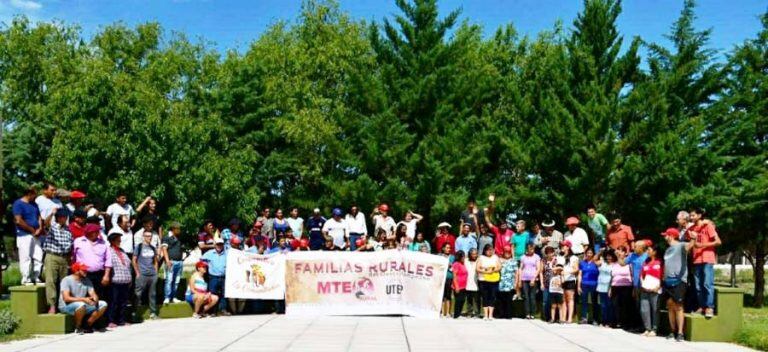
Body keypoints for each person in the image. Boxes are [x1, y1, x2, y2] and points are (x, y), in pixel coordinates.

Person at [662, 227, 696, 342]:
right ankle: (672, 331)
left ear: (671, 235)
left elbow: (689, 246)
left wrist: (693, 239)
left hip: (679, 280)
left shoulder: (681, 245)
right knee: (669, 305)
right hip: (667, 282)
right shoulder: (667, 250)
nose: (664, 237)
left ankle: (680, 333)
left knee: (678, 306)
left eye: (666, 235)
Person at [688, 207, 721, 318]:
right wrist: (693, 240)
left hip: (707, 259)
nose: (691, 217)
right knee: (698, 286)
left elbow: (718, 242)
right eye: (690, 215)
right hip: (696, 260)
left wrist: (703, 245)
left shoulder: (709, 226)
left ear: (699, 215)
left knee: (707, 284)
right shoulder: (691, 228)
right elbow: (692, 244)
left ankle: (709, 307)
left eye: (693, 215)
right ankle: (702, 307)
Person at [59, 262, 108, 334]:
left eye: (86, 270)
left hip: (82, 305)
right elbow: (66, 298)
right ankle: (78, 327)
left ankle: (88, 325)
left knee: (103, 304)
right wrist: (84, 299)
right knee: (81, 304)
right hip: (66, 306)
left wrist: (95, 299)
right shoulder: (66, 280)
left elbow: (93, 293)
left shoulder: (87, 280)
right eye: (83, 270)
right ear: (76, 271)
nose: (86, 271)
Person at [43, 208, 73, 314]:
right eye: (62, 217)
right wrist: (51, 213)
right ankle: (51, 305)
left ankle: (62, 304)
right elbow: (45, 223)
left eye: (65, 217)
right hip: (52, 256)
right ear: (58, 217)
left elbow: (70, 246)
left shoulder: (68, 230)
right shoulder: (52, 227)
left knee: (64, 282)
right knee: (51, 281)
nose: (64, 219)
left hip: (64, 258)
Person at [13, 186, 44, 285]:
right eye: (34, 194)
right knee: (25, 257)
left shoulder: (34, 204)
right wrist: (31, 230)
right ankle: (25, 278)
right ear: (29, 194)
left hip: (36, 234)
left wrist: (39, 228)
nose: (36, 196)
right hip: (24, 234)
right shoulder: (18, 204)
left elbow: (39, 216)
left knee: (38, 255)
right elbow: (18, 220)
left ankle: (36, 276)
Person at [73, 223, 112, 301]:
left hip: (99, 275)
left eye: (98, 231)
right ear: (89, 232)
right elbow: (74, 257)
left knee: (100, 297)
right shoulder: (78, 241)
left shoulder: (103, 243)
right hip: (84, 274)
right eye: (95, 231)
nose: (98, 233)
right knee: (84, 296)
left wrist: (106, 275)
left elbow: (108, 260)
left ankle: (99, 312)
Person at [133, 228, 159, 320]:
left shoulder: (153, 248)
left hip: (152, 274)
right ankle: (135, 314)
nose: (149, 238)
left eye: (150, 236)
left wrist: (156, 272)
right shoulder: (139, 247)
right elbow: (134, 260)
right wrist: (137, 272)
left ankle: (153, 313)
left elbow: (156, 261)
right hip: (142, 274)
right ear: (143, 237)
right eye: (147, 236)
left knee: (152, 294)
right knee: (138, 294)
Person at [107, 232, 132, 327]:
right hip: (115, 280)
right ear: (112, 241)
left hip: (125, 280)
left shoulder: (122, 250)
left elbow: (128, 264)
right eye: (118, 239)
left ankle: (121, 320)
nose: (120, 241)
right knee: (114, 301)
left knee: (123, 302)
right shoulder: (109, 250)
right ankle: (111, 320)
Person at [202, 237, 229, 315]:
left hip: (224, 277)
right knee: (213, 294)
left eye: (221, 244)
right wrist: (206, 265)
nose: (219, 246)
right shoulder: (209, 253)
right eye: (218, 244)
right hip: (213, 277)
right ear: (214, 245)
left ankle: (222, 310)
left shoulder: (227, 253)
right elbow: (201, 260)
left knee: (224, 294)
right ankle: (212, 311)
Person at [626, 239, 649, 330]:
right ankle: (639, 325)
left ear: (641, 248)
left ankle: (647, 326)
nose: (633, 247)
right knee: (637, 306)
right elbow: (622, 263)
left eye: (635, 246)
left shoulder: (647, 256)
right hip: (636, 285)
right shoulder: (632, 256)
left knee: (645, 306)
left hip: (646, 285)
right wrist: (619, 256)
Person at [640, 244, 662, 337]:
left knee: (655, 309)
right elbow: (642, 275)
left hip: (655, 290)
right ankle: (647, 328)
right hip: (645, 290)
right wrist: (642, 285)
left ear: (655, 251)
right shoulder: (645, 262)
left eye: (649, 250)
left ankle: (654, 329)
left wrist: (658, 286)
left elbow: (663, 275)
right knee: (644, 309)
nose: (647, 252)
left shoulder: (660, 262)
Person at [610, 247, 634, 329]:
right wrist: (610, 288)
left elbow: (632, 274)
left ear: (625, 253)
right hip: (615, 286)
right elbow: (612, 276)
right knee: (615, 305)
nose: (619, 252)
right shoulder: (614, 263)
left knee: (625, 305)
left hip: (626, 286)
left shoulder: (629, 263)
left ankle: (626, 323)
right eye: (618, 250)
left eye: (621, 251)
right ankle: (617, 322)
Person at [162, 221, 184, 304]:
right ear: (173, 229)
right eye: (178, 228)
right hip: (171, 261)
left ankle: (174, 297)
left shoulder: (179, 237)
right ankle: (167, 297)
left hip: (179, 262)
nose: (179, 230)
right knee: (169, 280)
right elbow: (164, 249)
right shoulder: (167, 237)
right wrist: (167, 261)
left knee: (177, 281)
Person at [477, 244, 500, 321]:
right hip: (483, 279)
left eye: (491, 250)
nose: (490, 251)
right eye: (488, 250)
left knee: (492, 296)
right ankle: (485, 315)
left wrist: (493, 270)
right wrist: (486, 271)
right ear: (485, 250)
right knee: (485, 297)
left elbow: (499, 267)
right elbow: (477, 268)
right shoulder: (481, 257)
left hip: (494, 279)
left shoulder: (495, 257)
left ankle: (490, 315)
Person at [519, 244, 541, 319]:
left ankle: (533, 313)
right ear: (527, 249)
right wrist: (520, 279)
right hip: (524, 279)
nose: (531, 250)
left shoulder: (536, 257)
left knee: (532, 297)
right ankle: (527, 313)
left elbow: (538, 269)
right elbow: (521, 268)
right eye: (529, 249)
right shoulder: (523, 257)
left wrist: (534, 278)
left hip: (533, 279)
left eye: (532, 249)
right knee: (526, 297)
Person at [578, 248, 600, 324]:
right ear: (585, 254)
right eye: (588, 253)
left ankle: (595, 319)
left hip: (594, 284)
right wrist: (578, 286)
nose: (589, 254)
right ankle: (584, 318)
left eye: (591, 253)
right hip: (584, 284)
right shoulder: (582, 263)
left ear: (593, 254)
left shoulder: (596, 263)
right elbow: (580, 274)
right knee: (584, 301)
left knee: (594, 302)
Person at [497, 245, 519, 319]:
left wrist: (516, 283)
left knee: (509, 300)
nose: (507, 253)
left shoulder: (514, 261)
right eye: (506, 251)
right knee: (500, 300)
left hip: (510, 283)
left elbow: (516, 273)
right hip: (501, 282)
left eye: (509, 252)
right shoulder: (500, 260)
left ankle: (508, 315)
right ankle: (501, 314)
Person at [560, 241, 579, 323]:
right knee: (563, 299)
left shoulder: (574, 258)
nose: (562, 247)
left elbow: (576, 269)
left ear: (568, 247)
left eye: (564, 246)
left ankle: (570, 318)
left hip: (570, 280)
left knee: (570, 299)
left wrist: (567, 272)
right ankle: (563, 317)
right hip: (562, 280)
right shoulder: (561, 257)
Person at [596, 249, 616, 327]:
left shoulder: (614, 265)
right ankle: (603, 320)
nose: (609, 258)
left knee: (609, 305)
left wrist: (610, 288)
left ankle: (609, 321)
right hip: (601, 286)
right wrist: (600, 252)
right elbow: (594, 260)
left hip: (609, 286)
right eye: (607, 256)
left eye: (610, 256)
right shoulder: (602, 263)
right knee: (602, 305)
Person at [540, 246, 557, 321]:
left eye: (552, 252)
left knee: (553, 301)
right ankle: (546, 316)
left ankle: (554, 317)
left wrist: (553, 263)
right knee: (545, 301)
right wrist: (541, 283)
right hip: (546, 283)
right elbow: (541, 272)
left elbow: (557, 271)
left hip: (554, 284)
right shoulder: (543, 260)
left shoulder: (556, 260)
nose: (551, 254)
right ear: (546, 254)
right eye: (549, 253)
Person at [451, 250, 468, 319]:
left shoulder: (462, 264)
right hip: (458, 285)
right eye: (463, 257)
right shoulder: (456, 264)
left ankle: (459, 314)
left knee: (462, 300)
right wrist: (456, 286)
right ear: (459, 257)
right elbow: (454, 276)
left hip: (464, 286)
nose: (464, 258)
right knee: (458, 300)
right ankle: (456, 315)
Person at [439, 243, 455, 318]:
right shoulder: (439, 256)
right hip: (441, 277)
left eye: (449, 248)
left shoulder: (452, 257)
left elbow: (455, 267)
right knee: (442, 295)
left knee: (448, 295)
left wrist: (450, 265)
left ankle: (448, 312)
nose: (448, 249)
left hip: (449, 277)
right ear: (443, 248)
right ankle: (441, 312)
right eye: (447, 248)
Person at [465, 248, 480, 318]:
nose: (475, 255)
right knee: (469, 299)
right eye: (473, 254)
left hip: (476, 283)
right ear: (470, 254)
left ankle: (477, 313)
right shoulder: (466, 261)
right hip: (468, 282)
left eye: (476, 254)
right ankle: (469, 312)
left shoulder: (479, 261)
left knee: (476, 299)